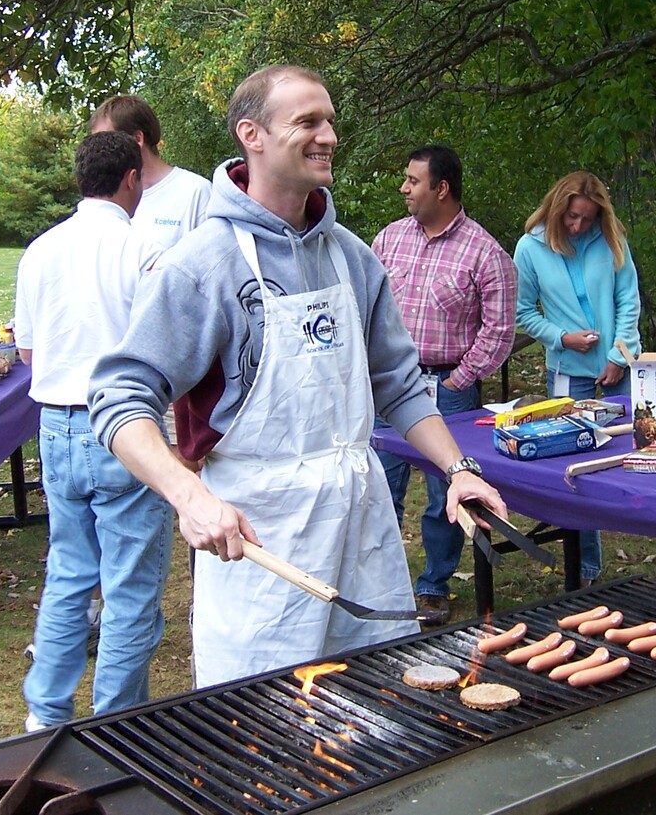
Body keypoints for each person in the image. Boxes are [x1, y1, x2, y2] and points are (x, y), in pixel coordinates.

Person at [88, 64, 508, 687]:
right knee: (265, 722)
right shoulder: (203, 263)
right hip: (262, 543)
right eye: (307, 121)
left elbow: (399, 383)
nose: (328, 135)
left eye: (330, 121)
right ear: (251, 135)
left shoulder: (353, 258)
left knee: (378, 706)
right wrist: (188, 497)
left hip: (362, 530)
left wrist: (459, 470)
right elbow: (119, 397)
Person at [13, 132, 175, 731]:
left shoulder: (41, 250)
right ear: (132, 179)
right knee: (129, 587)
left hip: (56, 425)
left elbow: (27, 351)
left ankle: (46, 713)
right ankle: (116, 723)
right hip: (124, 426)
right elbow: (167, 350)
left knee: (69, 573)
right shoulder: (144, 248)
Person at [513, 171, 656, 589]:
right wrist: (560, 337)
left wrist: (621, 355)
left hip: (622, 365)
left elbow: (627, 300)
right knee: (574, 470)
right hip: (568, 369)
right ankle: (585, 569)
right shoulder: (530, 247)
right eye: (571, 217)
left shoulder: (610, 239)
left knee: (655, 450)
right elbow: (523, 311)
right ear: (556, 209)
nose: (577, 226)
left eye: (586, 218)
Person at [371, 145, 517, 626]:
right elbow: (365, 308)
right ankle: (378, 583)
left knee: (445, 494)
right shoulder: (389, 239)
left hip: (449, 390)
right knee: (378, 486)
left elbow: (499, 331)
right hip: (388, 386)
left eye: (413, 181)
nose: (404, 188)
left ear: (442, 188)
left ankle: (434, 584)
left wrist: (458, 378)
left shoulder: (485, 253)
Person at [86, 93, 210, 648]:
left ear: (135, 141)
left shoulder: (192, 194)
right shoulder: (106, 198)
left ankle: (205, 599)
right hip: (121, 383)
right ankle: (106, 614)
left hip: (177, 381)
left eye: (103, 140)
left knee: (189, 490)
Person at [90, 93, 211, 250]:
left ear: (137, 139)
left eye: (107, 141)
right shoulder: (104, 201)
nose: (98, 152)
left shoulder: (196, 192)